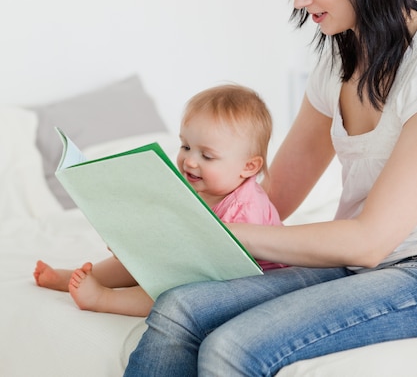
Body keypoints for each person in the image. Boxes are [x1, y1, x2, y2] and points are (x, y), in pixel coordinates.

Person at [122, 0, 417, 377]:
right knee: (178, 308)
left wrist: (224, 231)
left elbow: (370, 240)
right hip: (356, 264)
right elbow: (275, 192)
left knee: (233, 348)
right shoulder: (337, 64)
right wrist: (174, 228)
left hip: (404, 270)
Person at [34, 83, 285, 317]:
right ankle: (68, 279)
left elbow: (209, 267)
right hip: (197, 262)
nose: (190, 161)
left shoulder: (246, 210)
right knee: (132, 262)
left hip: (246, 287)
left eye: (207, 156)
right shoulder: (201, 185)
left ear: (249, 167)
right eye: (185, 147)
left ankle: (104, 299)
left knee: (176, 289)